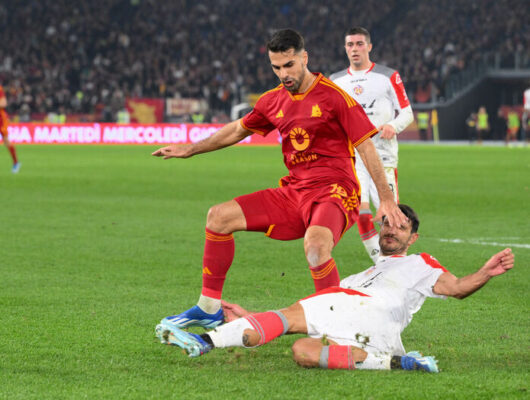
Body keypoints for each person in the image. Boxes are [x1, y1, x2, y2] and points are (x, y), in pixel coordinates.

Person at [152, 29, 406, 329]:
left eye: (289, 65)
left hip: (334, 191)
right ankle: (208, 309)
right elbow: (236, 130)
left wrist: (386, 198)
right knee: (218, 217)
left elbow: (365, 145)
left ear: (304, 57)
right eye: (276, 67)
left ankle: (337, 324)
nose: (283, 73)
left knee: (315, 246)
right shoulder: (272, 101)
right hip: (295, 191)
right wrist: (191, 149)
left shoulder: (335, 97)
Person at [155, 204, 515, 373]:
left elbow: (456, 288)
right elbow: (307, 321)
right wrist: (248, 318)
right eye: (386, 224)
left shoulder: (420, 263)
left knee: (293, 315)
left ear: (413, 237)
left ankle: (204, 342)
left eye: (400, 228)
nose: (390, 231)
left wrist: (484, 272)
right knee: (303, 351)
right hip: (372, 330)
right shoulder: (358, 277)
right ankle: (396, 362)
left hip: (369, 308)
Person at [330, 27, 414, 263]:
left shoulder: (388, 76)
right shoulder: (336, 81)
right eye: (350, 44)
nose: (354, 49)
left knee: (393, 217)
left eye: (359, 44)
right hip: (353, 157)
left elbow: (407, 113)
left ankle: (400, 262)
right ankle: (382, 264)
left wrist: (392, 126)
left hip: (383, 155)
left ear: (369, 46)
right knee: (361, 211)